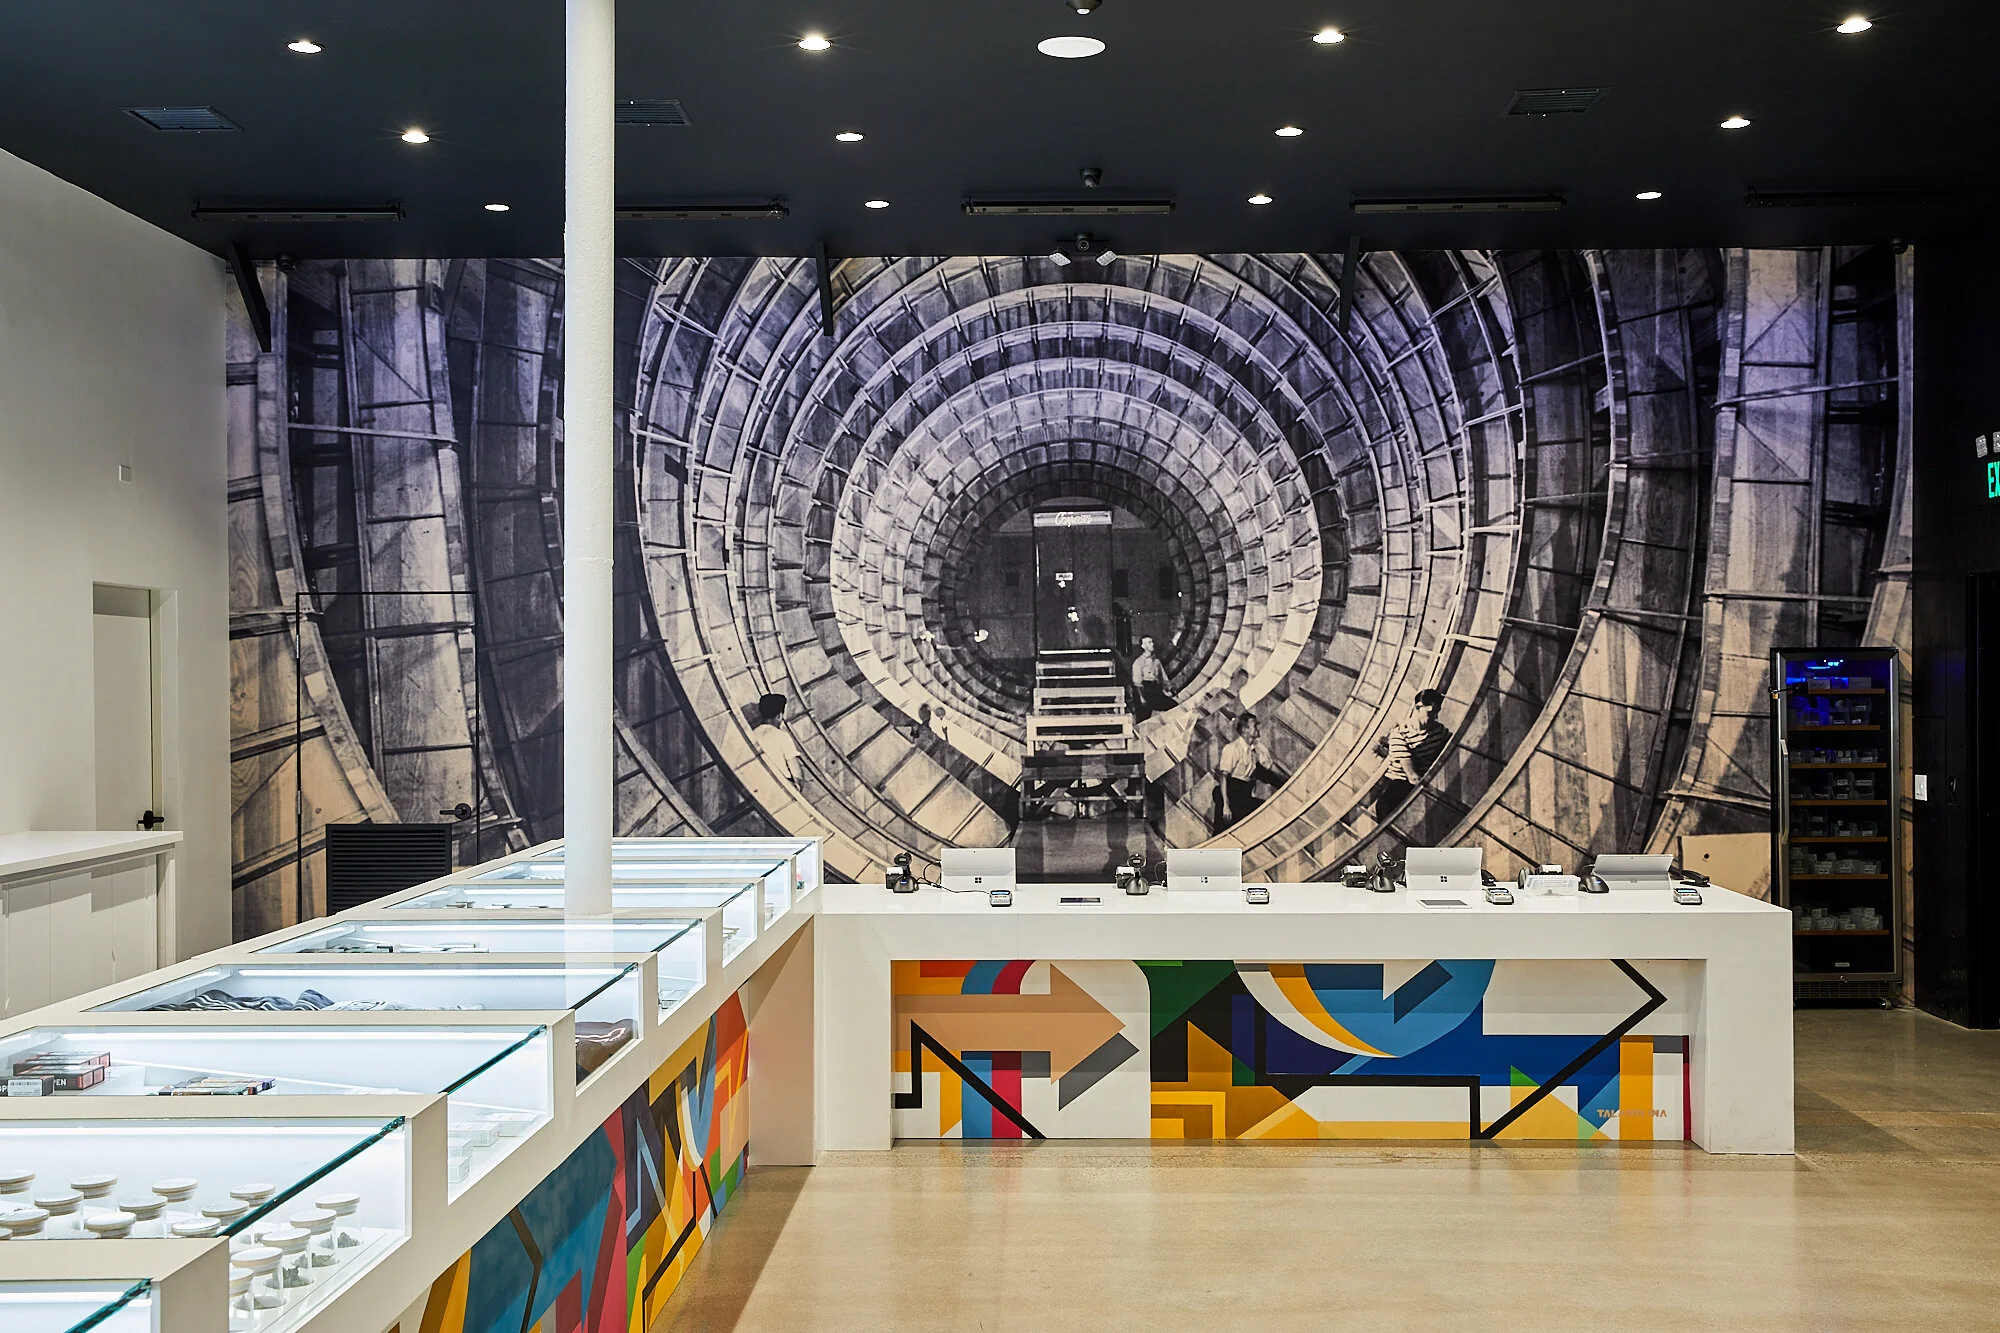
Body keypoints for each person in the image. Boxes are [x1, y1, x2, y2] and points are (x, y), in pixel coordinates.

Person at [1372, 688, 1451, 819]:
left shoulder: (1439, 731)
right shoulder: (1399, 735)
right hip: (1400, 785)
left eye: (1437, 712)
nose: (1435, 717)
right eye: (1430, 713)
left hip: (1425, 782)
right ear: (1418, 707)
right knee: (1386, 807)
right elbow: (1412, 776)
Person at [1219, 713, 1285, 827]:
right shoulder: (1232, 748)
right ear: (1245, 729)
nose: (1258, 728)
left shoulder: (1255, 749)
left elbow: (1268, 770)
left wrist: (1288, 782)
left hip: (1245, 794)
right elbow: (1223, 777)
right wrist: (1226, 805)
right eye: (1255, 725)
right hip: (1233, 796)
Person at [753, 691, 803, 786]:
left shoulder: (753, 734)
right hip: (781, 786)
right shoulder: (782, 736)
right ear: (779, 716)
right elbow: (796, 774)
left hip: (758, 783)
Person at [1130, 636, 1176, 722]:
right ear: (1143, 646)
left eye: (1152, 642)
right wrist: (1142, 698)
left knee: (1174, 706)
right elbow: (1137, 683)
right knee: (1143, 718)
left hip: (1155, 690)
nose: (1152, 644)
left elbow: (1163, 677)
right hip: (1144, 691)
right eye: (1149, 642)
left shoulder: (1156, 661)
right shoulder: (1138, 662)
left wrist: (1169, 689)